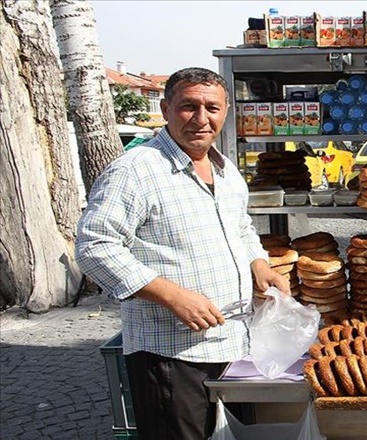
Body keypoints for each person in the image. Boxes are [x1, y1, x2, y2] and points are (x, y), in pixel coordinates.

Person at [76, 67, 290, 440]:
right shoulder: (135, 171)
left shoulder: (226, 172)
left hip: (234, 343)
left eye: (212, 108)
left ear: (226, 113)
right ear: (165, 108)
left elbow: (241, 228)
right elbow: (95, 246)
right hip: (172, 353)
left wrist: (258, 262)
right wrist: (173, 295)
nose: (201, 119)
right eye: (189, 107)